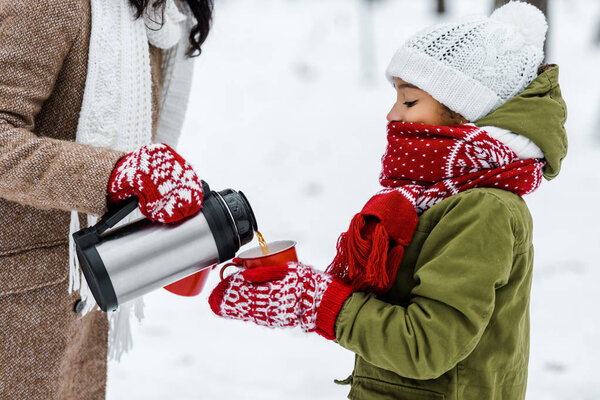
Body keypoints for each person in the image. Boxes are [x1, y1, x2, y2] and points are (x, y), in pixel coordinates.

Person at [208, 2, 568, 399]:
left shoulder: (484, 210)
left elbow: (427, 346)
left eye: (409, 101)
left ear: (464, 111)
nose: (392, 114)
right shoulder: (435, 195)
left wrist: (318, 304)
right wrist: (300, 293)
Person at [0, 0, 212, 398]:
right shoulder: (51, 6)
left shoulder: (162, 18)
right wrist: (113, 175)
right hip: (16, 304)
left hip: (84, 293)